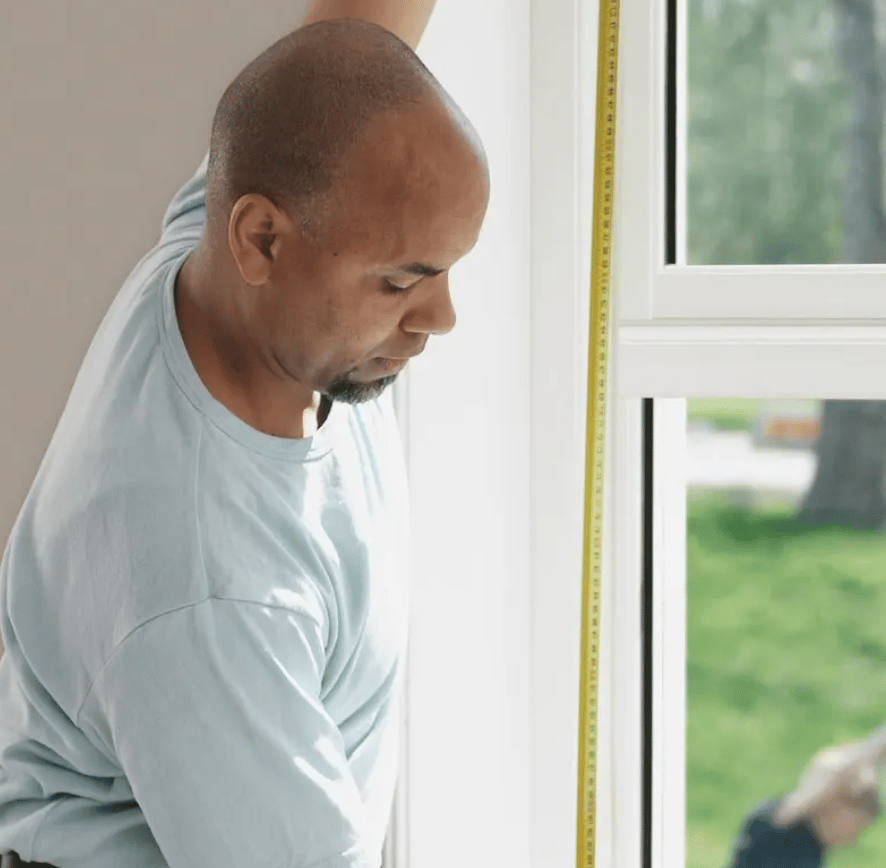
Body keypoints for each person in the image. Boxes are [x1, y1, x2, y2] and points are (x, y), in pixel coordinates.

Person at [0, 3, 490, 866]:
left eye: (448, 268)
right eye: (400, 282)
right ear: (261, 242)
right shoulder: (209, 588)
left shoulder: (219, 257)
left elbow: (345, 58)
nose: (440, 317)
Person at [725, 737, 884, 867]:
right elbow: (839, 771)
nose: (852, 840)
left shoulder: (814, 851)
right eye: (856, 826)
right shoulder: (775, 825)